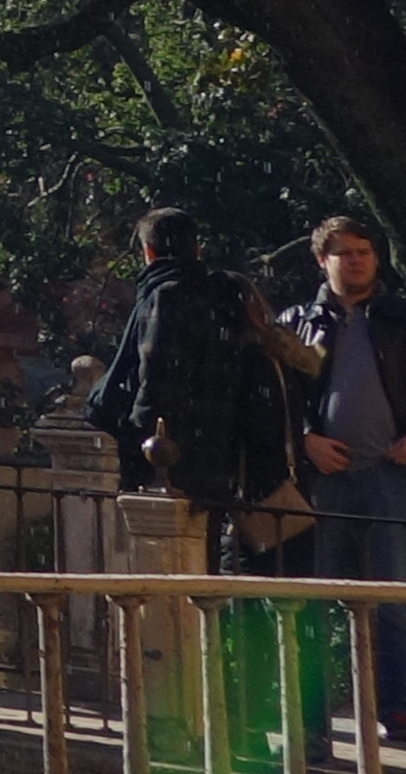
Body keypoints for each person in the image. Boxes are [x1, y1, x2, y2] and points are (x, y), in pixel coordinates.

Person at [282, 214, 406, 734]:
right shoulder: (297, 322)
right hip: (324, 480)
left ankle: (398, 709)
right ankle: (311, 716)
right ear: (323, 260)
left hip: (391, 476)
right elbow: (273, 400)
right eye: (344, 252)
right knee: (314, 600)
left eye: (364, 251)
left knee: (393, 600)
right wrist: (304, 441)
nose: (356, 260)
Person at [87, 205, 295, 535]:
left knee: (160, 560)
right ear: (197, 249)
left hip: (170, 460)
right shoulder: (225, 297)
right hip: (219, 454)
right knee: (205, 558)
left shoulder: (166, 297)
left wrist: (141, 437)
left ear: (148, 252)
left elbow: (156, 380)